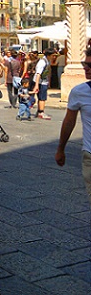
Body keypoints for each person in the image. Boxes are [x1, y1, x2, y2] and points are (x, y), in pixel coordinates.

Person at [56, 48, 91, 203]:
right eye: (85, 64)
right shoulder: (79, 92)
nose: (86, 68)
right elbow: (69, 121)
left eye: (90, 65)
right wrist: (60, 149)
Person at [33, 49, 52, 120]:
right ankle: (41, 112)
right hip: (41, 82)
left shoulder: (46, 61)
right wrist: (36, 85)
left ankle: (39, 111)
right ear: (49, 55)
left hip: (44, 81)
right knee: (42, 98)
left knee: (41, 97)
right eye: (53, 55)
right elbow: (38, 74)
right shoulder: (42, 62)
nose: (54, 57)